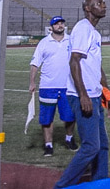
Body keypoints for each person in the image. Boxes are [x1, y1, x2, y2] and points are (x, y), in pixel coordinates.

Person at [54, 0, 110, 188]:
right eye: (99, 3)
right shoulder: (82, 28)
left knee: (102, 145)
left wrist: (108, 94)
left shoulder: (94, 33)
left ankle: (100, 183)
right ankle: (62, 185)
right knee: (91, 146)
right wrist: (83, 95)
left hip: (95, 95)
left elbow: (97, 67)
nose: (104, 6)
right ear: (88, 8)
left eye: (103, 3)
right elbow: (74, 61)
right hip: (84, 95)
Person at [29, 16, 77, 156]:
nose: (60, 25)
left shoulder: (71, 41)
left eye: (62, 23)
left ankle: (69, 138)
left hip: (68, 86)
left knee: (70, 116)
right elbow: (35, 63)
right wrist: (32, 82)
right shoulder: (44, 43)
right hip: (47, 87)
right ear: (51, 27)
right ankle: (48, 145)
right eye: (57, 24)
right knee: (46, 118)